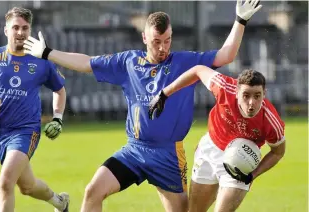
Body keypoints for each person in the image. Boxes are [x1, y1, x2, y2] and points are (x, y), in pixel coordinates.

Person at [23, 1, 262, 211]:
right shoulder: (128, 62)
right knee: (92, 191)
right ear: (145, 38)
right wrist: (47, 53)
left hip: (168, 155)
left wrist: (240, 21)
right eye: (156, 41)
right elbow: (86, 62)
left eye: (167, 41)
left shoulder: (184, 62)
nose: (162, 48)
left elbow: (226, 55)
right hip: (134, 151)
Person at [0, 7, 69, 212]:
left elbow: (59, 90)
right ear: (6, 30)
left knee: (5, 183)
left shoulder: (41, 61)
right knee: (27, 186)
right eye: (15, 27)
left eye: (25, 28)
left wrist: (57, 118)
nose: (20, 32)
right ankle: (60, 203)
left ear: (30, 30)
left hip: (26, 130)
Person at [149, 66, 285, 212]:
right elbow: (198, 70)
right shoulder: (224, 88)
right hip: (210, 149)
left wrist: (253, 174)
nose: (251, 102)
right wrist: (164, 94)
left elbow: (277, 152)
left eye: (257, 96)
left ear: (264, 94)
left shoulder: (271, 121)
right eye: (246, 95)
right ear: (237, 92)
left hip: (240, 162)